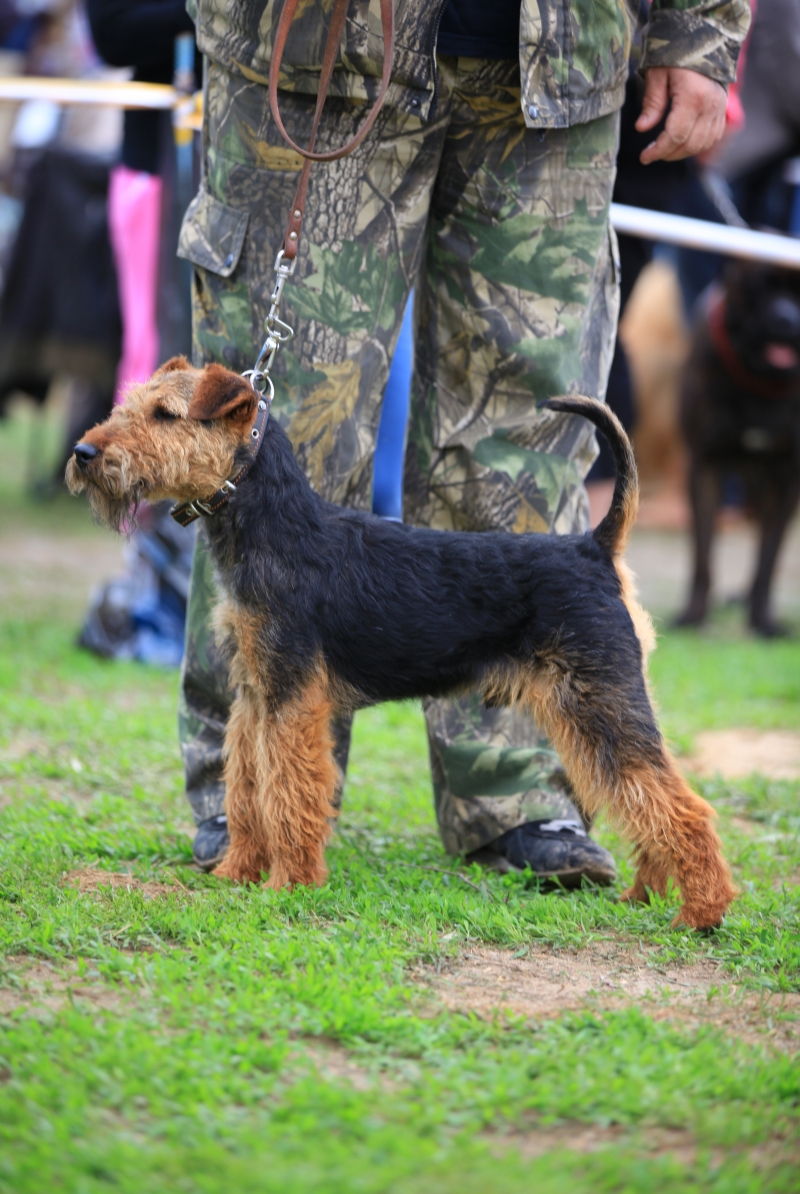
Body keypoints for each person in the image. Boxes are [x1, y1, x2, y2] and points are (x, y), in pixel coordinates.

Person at [178, 0, 748, 878]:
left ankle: (519, 798)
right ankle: (242, 803)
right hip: (318, 54)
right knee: (261, 440)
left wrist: (699, 35)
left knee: (526, 436)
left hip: (558, 65)